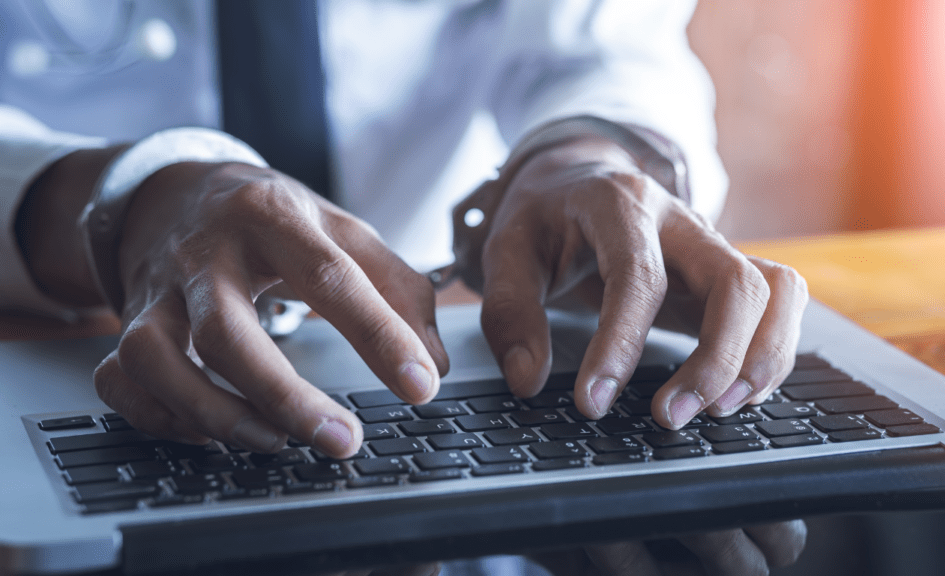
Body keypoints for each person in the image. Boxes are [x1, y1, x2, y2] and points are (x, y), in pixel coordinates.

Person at [0, 1, 809, 574]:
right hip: (73, 333)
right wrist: (121, 204)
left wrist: (587, 153)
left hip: (455, 380)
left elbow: (604, 40)